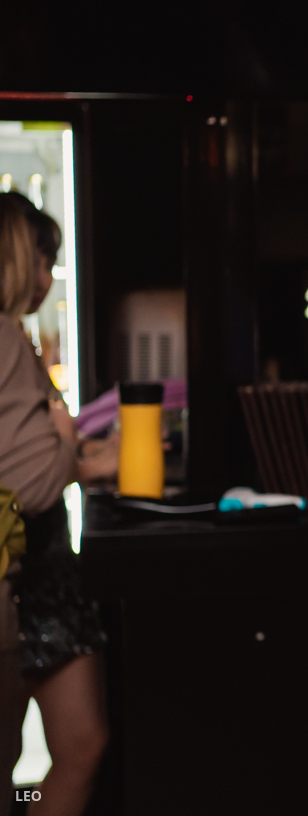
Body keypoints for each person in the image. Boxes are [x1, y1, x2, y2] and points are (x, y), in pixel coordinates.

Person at [0, 193, 113, 816]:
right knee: (65, 748)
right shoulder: (6, 340)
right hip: (24, 572)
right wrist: (73, 449)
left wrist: (81, 454)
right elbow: (33, 478)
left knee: (75, 745)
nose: (46, 278)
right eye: (41, 260)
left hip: (38, 574)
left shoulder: (16, 339)